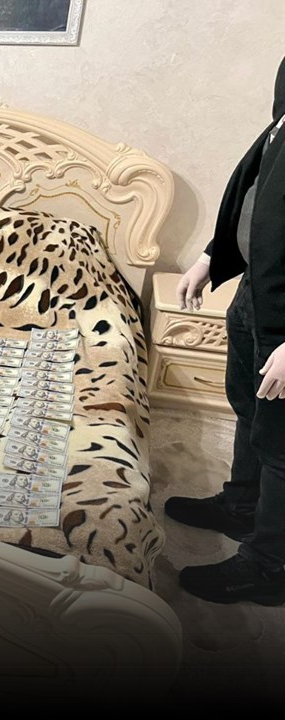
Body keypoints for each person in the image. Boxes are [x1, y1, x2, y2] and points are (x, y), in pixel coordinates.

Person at [168, 56, 285, 605]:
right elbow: (259, 200)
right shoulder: (281, 121)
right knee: (247, 406)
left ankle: (269, 567)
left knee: (281, 440)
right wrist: (212, 257)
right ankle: (241, 506)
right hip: (258, 291)